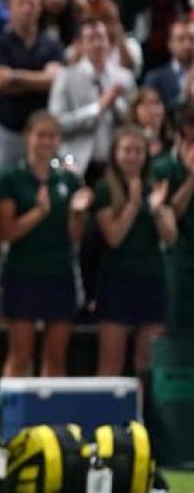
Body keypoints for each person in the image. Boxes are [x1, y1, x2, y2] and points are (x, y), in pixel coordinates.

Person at [0, 112, 92, 378]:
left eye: (52, 136)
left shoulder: (68, 180)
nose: (46, 142)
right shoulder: (11, 178)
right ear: (28, 137)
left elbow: (75, 236)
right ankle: (10, 418)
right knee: (20, 355)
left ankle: (54, 418)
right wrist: (38, 213)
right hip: (22, 273)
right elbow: (6, 233)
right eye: (41, 135)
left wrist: (77, 214)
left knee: (56, 357)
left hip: (59, 272)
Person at [93, 125, 179, 377]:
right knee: (111, 362)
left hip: (151, 278)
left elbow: (171, 237)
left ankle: (146, 416)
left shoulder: (155, 188)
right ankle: (105, 417)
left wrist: (156, 211)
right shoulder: (104, 189)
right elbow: (114, 238)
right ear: (116, 153)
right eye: (127, 150)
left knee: (147, 365)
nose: (132, 156)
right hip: (117, 280)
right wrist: (132, 204)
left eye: (138, 151)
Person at [0, 0, 66, 193]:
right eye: (21, 3)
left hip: (41, 135)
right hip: (6, 130)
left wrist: (15, 76)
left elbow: (54, 81)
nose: (26, 9)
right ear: (11, 8)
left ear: (40, 8)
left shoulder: (52, 45)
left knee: (43, 190)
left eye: (32, 4)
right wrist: (37, 81)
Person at [48, 20, 136, 179]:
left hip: (115, 163)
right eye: (91, 39)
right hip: (76, 163)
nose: (98, 44)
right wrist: (97, 108)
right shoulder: (65, 77)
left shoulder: (124, 77)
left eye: (102, 38)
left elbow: (133, 121)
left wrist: (115, 103)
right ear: (79, 45)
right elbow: (56, 123)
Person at [153, 103, 194, 332]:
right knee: (178, 329)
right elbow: (171, 216)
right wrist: (191, 179)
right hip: (178, 259)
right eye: (189, 140)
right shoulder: (162, 168)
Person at [144, 19, 194, 112]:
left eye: (191, 39)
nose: (187, 45)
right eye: (181, 39)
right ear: (170, 44)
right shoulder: (155, 78)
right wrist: (184, 95)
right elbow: (153, 114)